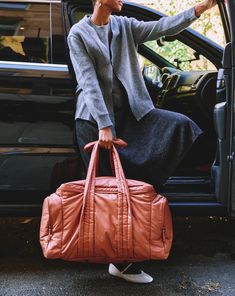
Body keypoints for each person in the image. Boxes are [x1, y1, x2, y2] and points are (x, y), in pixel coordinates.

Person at [67, 0, 216, 284]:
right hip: (94, 122)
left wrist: (200, 9)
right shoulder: (79, 34)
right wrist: (105, 125)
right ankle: (121, 263)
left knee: (179, 126)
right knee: (110, 193)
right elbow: (88, 81)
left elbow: (162, 27)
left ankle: (143, 204)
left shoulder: (124, 26)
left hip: (129, 116)